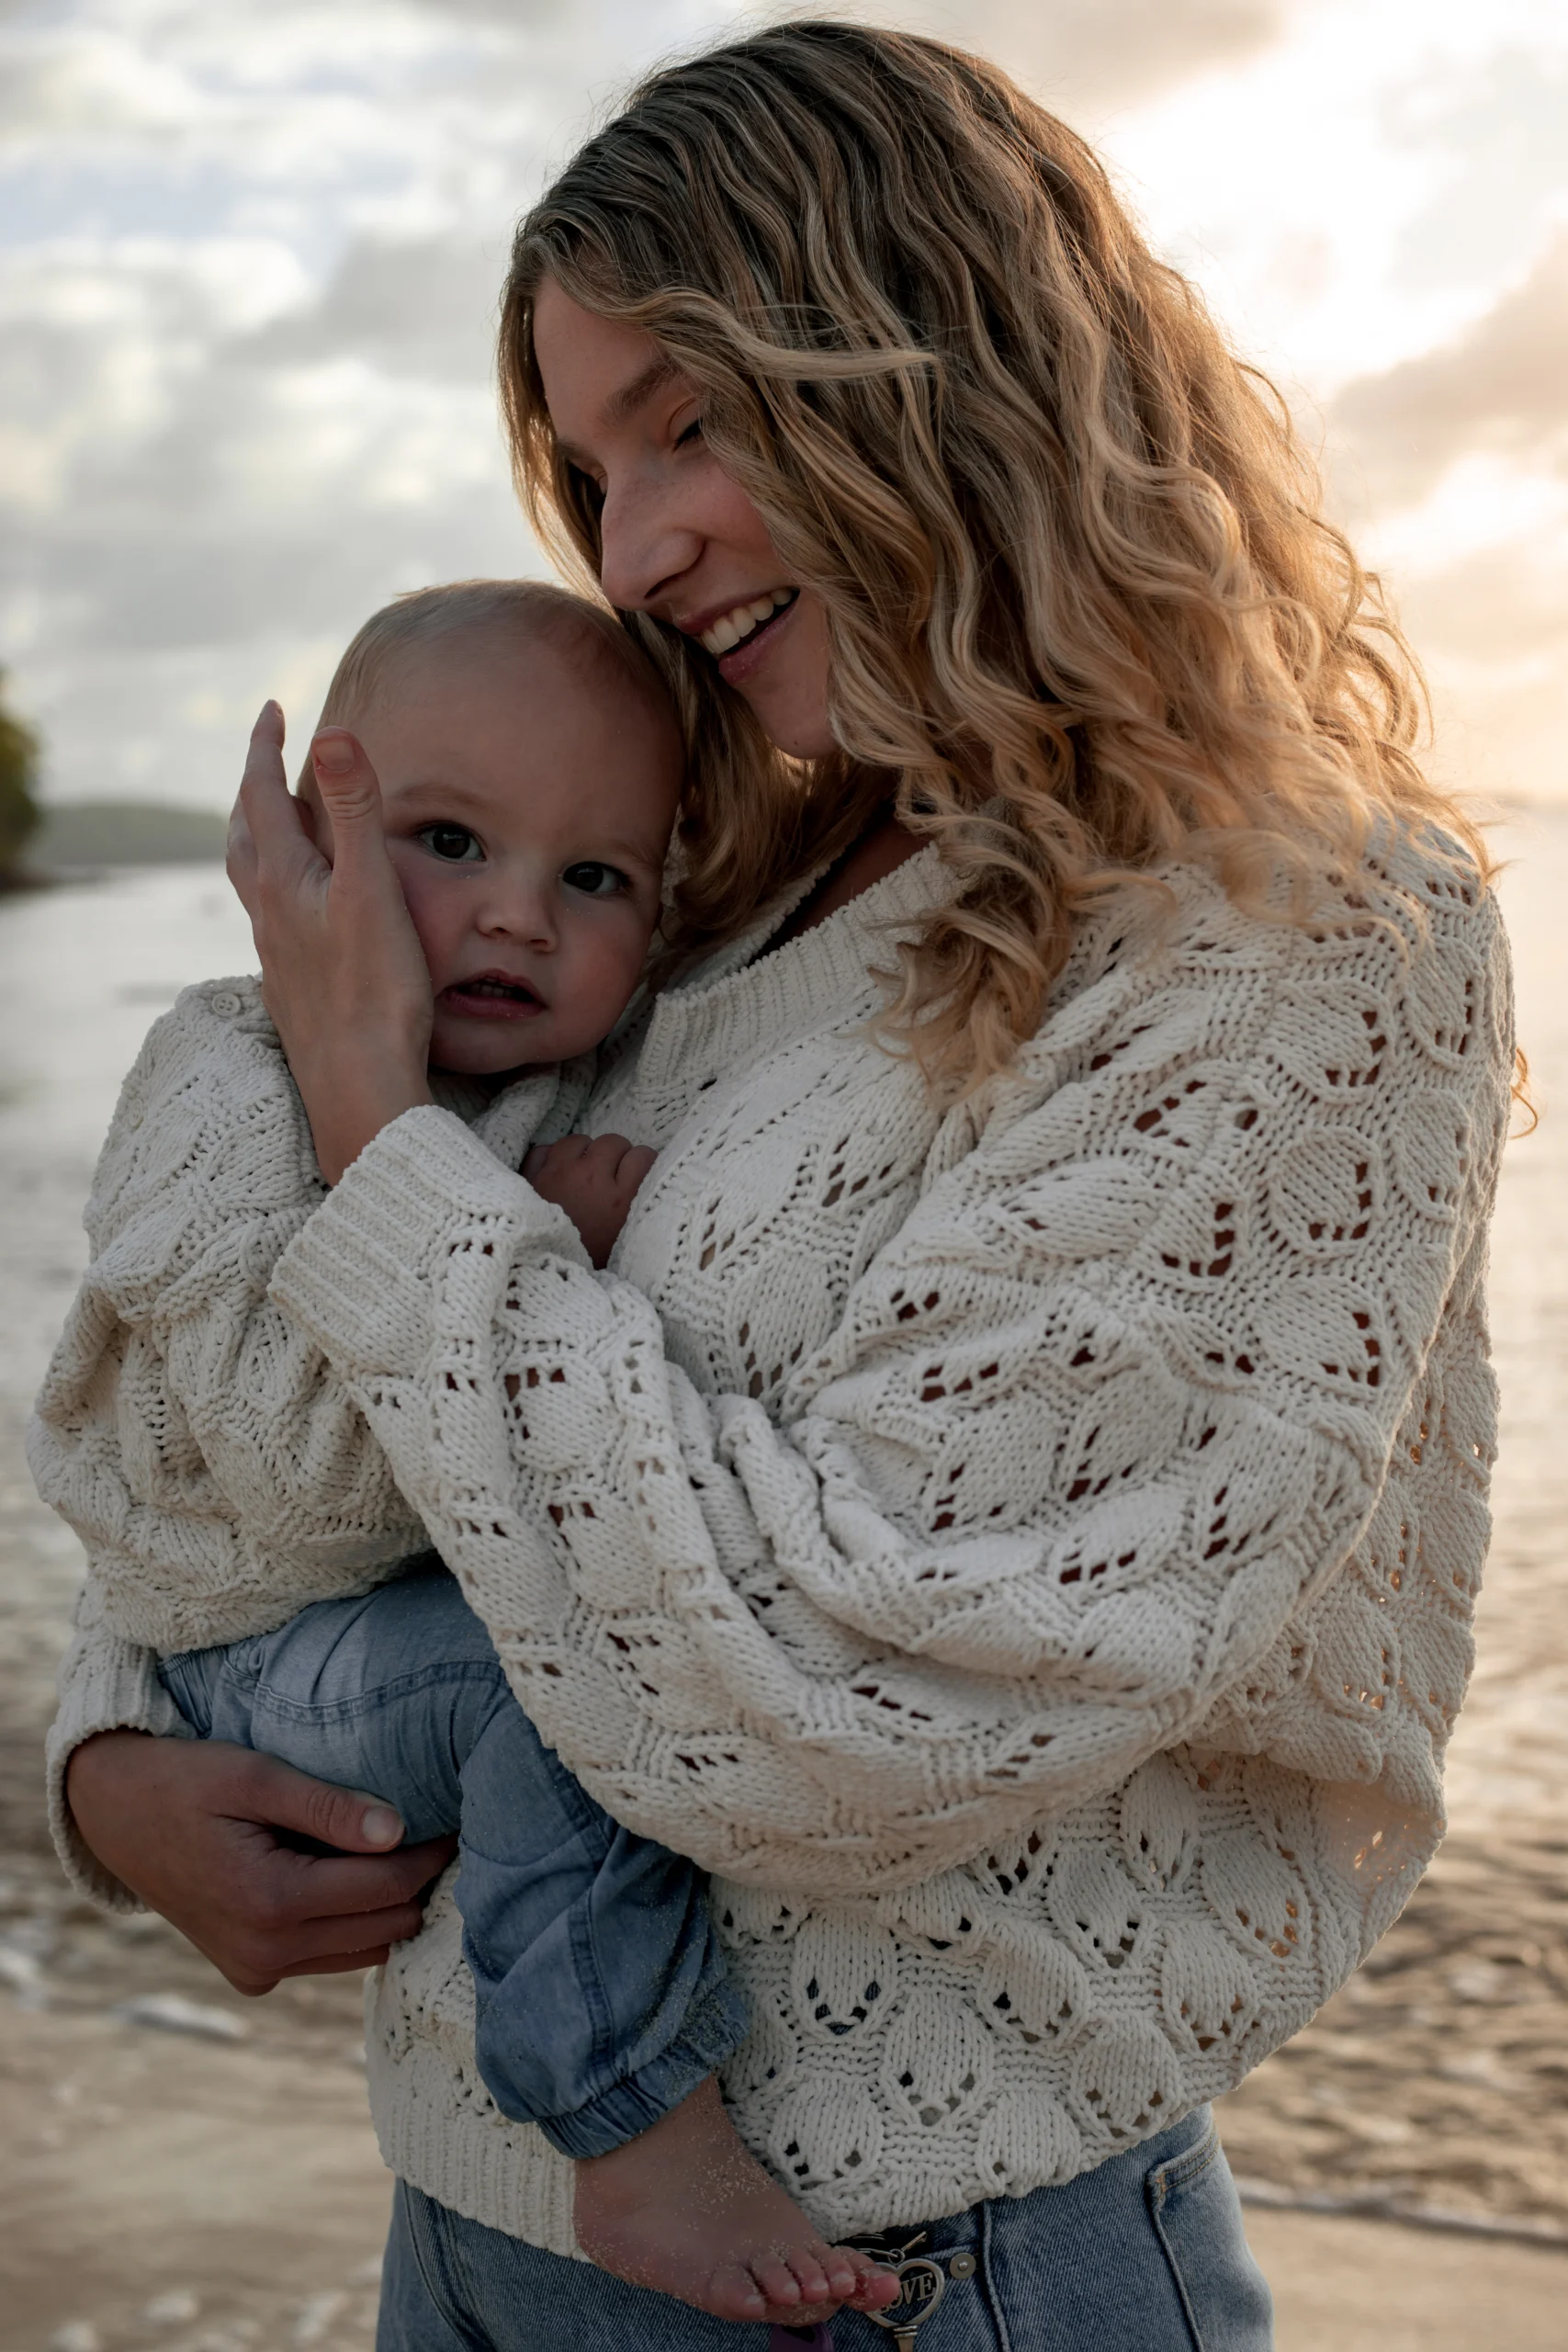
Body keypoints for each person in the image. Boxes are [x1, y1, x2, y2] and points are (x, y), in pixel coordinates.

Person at [50, 24, 1514, 2351]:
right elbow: (300, 1456)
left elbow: (847, 1711)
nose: (635, 553)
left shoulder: (1295, 935)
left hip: (914, 2281)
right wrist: (115, 1750)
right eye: (592, 467)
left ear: (938, 352)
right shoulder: (693, 888)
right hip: (463, 2209)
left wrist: (374, 1132)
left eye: (692, 423)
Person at [29, 573, 899, 2328]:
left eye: (593, 879)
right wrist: (508, 1231)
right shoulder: (230, 1071)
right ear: (310, 834)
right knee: (553, 1674)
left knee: (551, 1649)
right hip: (250, 1656)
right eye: (444, 839)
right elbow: (306, 1488)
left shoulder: (557, 1074)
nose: (514, 917)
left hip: (364, 1656)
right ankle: (632, 2119)